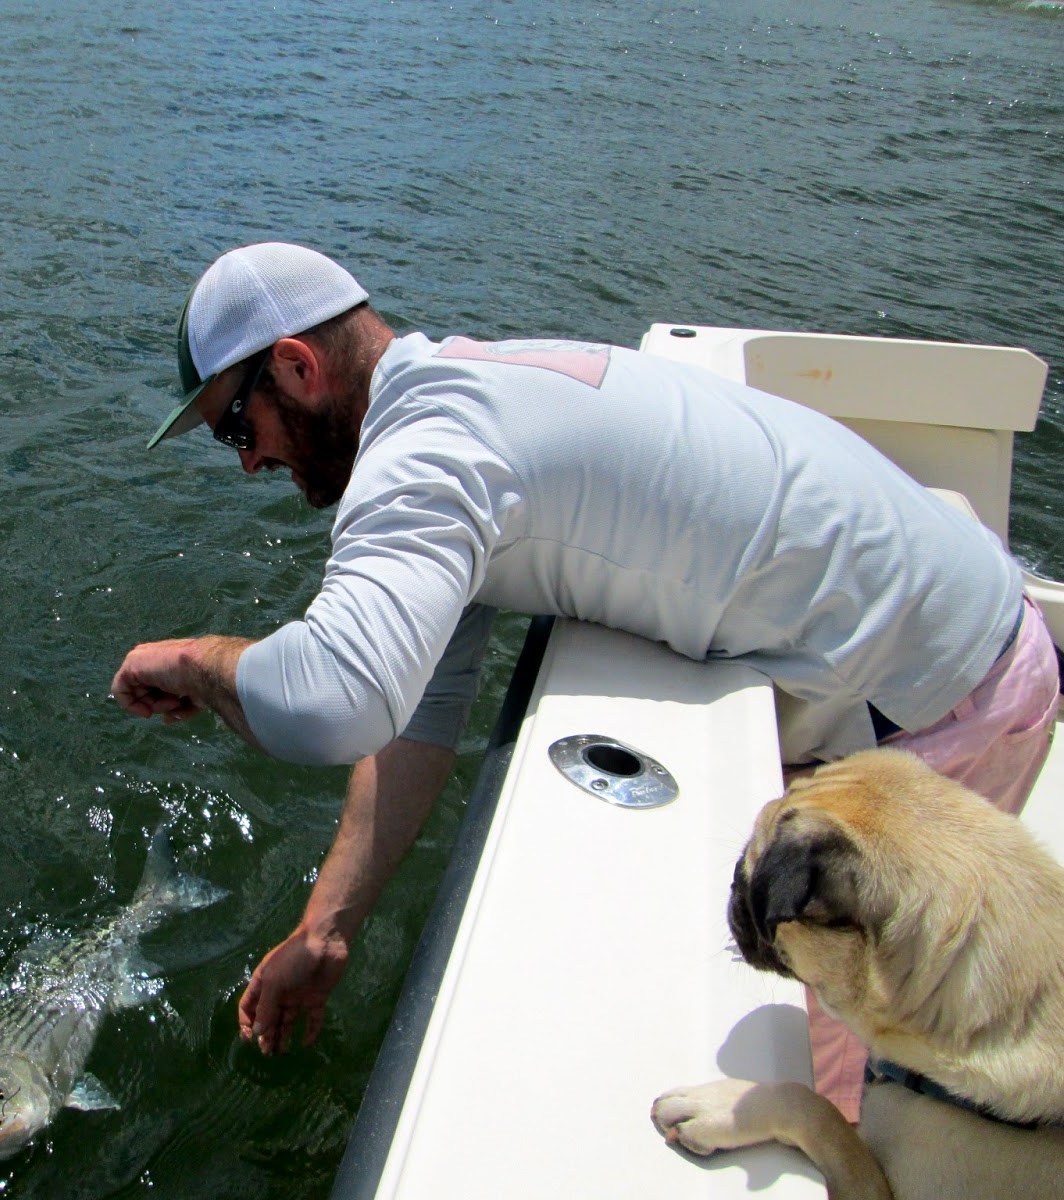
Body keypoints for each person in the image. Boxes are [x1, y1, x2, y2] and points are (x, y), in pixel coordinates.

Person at [109, 242, 1060, 1117]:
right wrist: (325, 930)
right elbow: (417, 712)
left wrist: (199, 660)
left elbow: (334, 699)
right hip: (965, 622)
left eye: (237, 422)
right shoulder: (461, 389)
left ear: (297, 367)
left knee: (829, 1076)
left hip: (945, 697)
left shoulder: (426, 460)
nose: (245, 463)